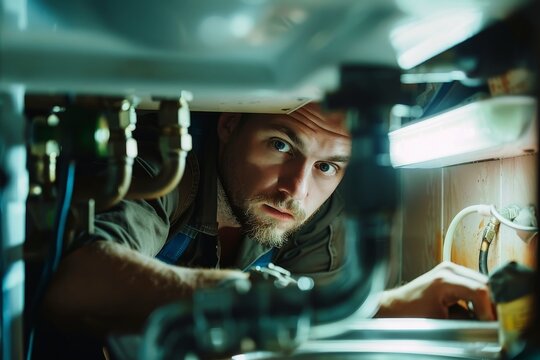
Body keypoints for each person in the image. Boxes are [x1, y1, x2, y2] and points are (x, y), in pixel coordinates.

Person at [38, 103, 495, 354]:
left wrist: (386, 308)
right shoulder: (165, 173)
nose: (295, 189)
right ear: (230, 124)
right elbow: (75, 284)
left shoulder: (317, 211)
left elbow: (312, 329)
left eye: (327, 166)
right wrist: (255, 298)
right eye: (281, 145)